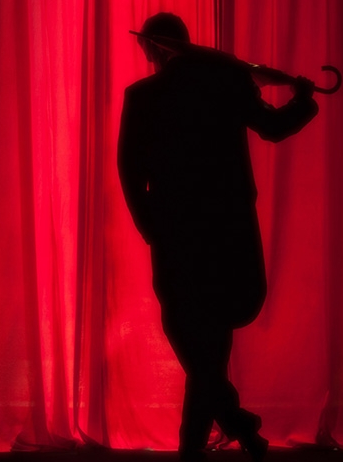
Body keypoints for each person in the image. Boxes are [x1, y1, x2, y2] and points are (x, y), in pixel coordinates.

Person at [117, 13, 318, 462]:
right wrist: (304, 100)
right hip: (227, 228)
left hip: (177, 232)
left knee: (191, 336)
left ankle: (214, 438)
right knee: (210, 342)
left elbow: (130, 170)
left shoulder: (144, 95)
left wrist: (150, 225)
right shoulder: (227, 81)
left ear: (152, 48)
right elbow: (274, 127)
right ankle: (233, 431)